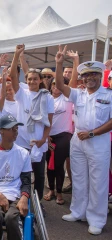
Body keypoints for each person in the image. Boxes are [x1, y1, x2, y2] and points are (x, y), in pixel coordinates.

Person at [55, 45, 112, 235]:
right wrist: (59, 63)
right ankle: (78, 211)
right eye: (86, 75)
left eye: (93, 74)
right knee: (79, 177)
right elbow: (60, 86)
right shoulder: (78, 93)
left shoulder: (109, 95)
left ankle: (96, 219)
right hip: (78, 140)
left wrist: (92, 133)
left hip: (98, 141)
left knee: (98, 182)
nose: (89, 78)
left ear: (100, 76)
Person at [10, 45, 54, 214]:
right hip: (21, 141)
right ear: (26, 80)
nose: (32, 82)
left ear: (40, 80)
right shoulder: (21, 93)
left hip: (38, 142)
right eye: (29, 79)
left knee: (39, 175)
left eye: (35, 79)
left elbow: (49, 121)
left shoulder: (46, 97)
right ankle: (22, 198)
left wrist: (44, 139)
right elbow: (13, 75)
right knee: (21, 173)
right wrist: (16, 56)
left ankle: (37, 200)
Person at [0, 114, 32, 240]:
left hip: (16, 194)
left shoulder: (23, 153)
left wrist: (24, 198)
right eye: (11, 129)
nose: (15, 131)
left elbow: (26, 182)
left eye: (16, 128)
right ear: (1, 131)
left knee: (11, 217)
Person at [43, 79, 73, 205]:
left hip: (63, 136)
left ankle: (59, 192)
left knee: (59, 165)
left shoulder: (67, 98)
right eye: (53, 84)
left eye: (58, 84)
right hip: (49, 136)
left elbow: (72, 83)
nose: (56, 86)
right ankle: (51, 190)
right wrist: (46, 135)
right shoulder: (46, 99)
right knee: (49, 165)